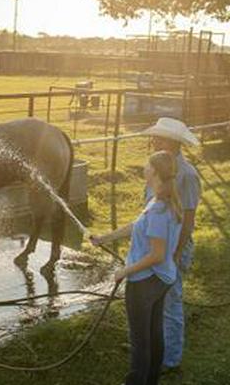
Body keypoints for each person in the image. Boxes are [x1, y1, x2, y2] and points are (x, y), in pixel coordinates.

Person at [91, 151, 182, 385]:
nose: (143, 167)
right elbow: (137, 225)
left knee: (140, 339)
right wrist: (105, 238)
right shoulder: (159, 200)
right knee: (153, 333)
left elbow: (157, 255)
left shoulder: (159, 209)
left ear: (153, 171)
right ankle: (151, 380)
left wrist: (125, 271)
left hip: (145, 282)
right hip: (162, 279)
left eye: (147, 164)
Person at [142, 117, 201, 373]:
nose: (154, 140)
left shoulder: (186, 175)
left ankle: (171, 358)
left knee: (170, 302)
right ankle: (155, 348)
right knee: (153, 302)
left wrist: (176, 254)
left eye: (159, 137)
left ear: (173, 142)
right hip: (154, 246)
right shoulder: (157, 167)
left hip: (173, 248)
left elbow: (188, 220)